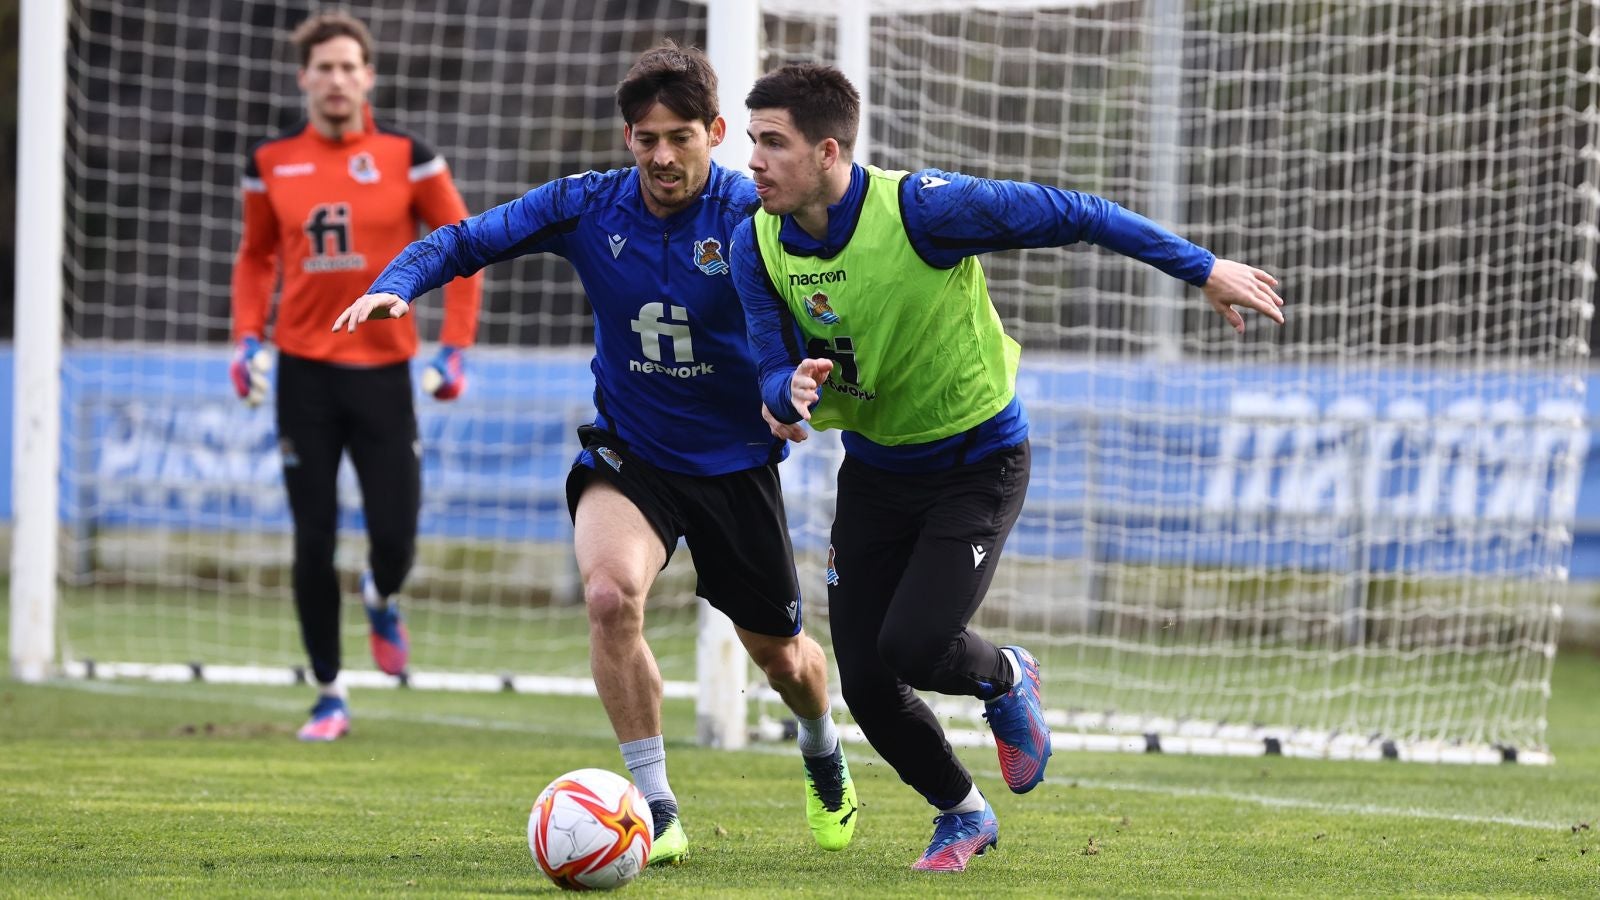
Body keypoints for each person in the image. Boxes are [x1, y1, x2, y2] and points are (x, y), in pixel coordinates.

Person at [730, 63, 1285, 873]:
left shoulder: (925, 211)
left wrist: (1199, 267)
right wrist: (787, 390)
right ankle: (961, 814)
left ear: (827, 151)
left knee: (916, 645)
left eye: (771, 143)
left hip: (977, 462)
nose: (754, 161)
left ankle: (1005, 676)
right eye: (751, 141)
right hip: (877, 472)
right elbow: (767, 362)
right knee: (865, 681)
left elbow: (1079, 212)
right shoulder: (757, 242)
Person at [330, 42, 857, 866]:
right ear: (627, 139)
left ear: (715, 132)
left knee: (782, 658)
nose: (662, 156)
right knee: (610, 597)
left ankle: (823, 750)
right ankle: (654, 806)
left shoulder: (756, 212)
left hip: (733, 464)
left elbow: (812, 307)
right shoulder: (587, 206)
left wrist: (789, 386)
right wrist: (399, 279)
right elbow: (469, 238)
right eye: (645, 139)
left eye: (680, 137)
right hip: (631, 451)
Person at [229, 12, 483, 743]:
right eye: (324, 68)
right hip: (303, 375)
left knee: (395, 538)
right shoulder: (270, 161)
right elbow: (255, 258)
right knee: (312, 538)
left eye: (349, 67)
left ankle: (381, 594)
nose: (337, 80)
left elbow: (459, 250)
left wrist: (454, 350)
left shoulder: (410, 157)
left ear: (368, 77)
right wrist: (247, 339)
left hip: (383, 372)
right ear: (304, 78)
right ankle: (330, 694)